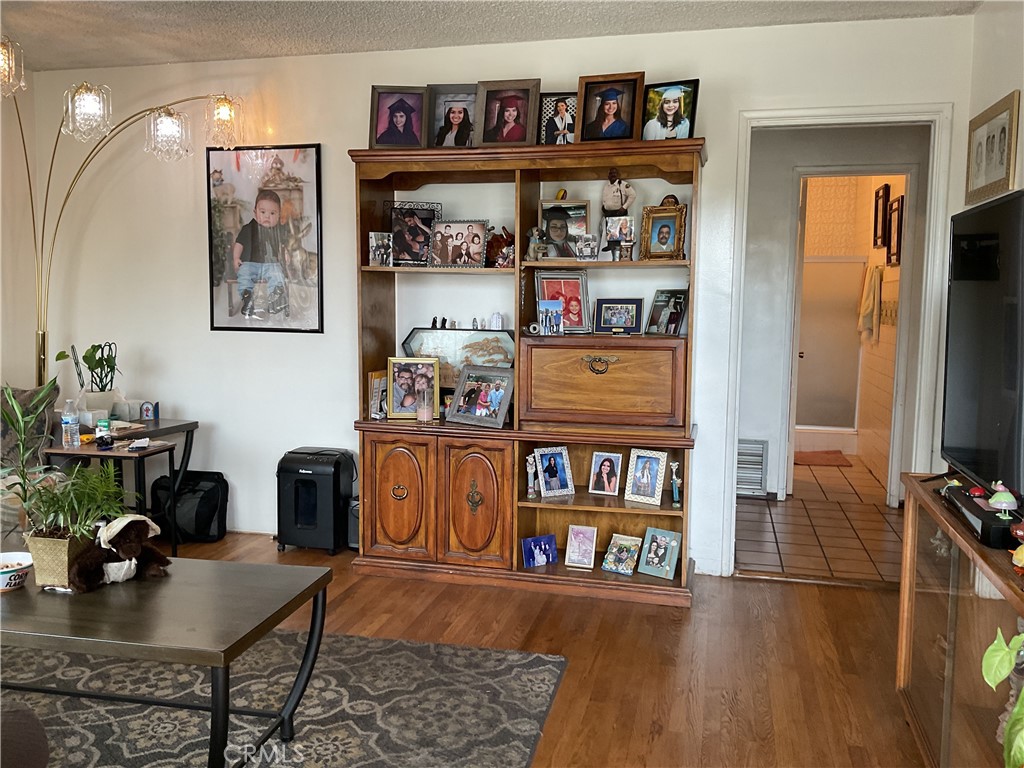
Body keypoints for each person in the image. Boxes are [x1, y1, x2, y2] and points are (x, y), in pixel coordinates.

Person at [234, 189, 287, 319]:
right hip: (249, 263)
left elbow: (282, 246)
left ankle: (275, 298)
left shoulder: (277, 231)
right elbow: (239, 244)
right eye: (263, 212)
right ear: (255, 213)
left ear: (279, 215)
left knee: (277, 274)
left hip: (271, 263)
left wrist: (286, 255)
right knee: (244, 275)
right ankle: (247, 299)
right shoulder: (248, 228)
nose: (267, 216)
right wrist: (236, 257)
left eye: (272, 213)